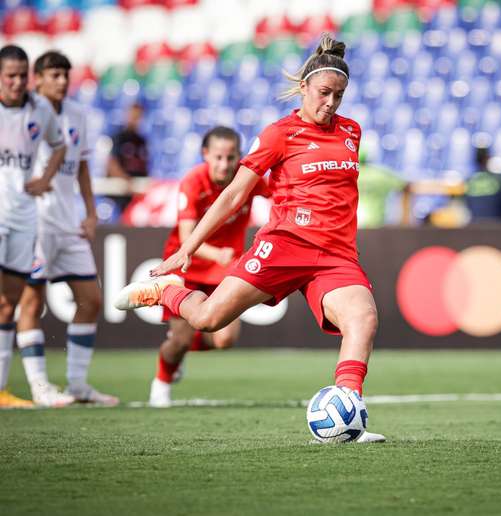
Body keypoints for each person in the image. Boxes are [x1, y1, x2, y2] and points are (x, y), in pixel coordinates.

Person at [114, 34, 384, 442]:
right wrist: (186, 250)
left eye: (339, 96)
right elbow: (234, 194)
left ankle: (348, 415)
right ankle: (165, 292)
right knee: (208, 320)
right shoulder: (280, 134)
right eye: (325, 93)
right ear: (305, 87)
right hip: (285, 245)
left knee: (362, 319)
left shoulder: (352, 132)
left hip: (336, 254)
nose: (331, 103)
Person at [13, 51, 118, 407]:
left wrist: (90, 212)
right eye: (54, 75)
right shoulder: (24, 113)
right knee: (32, 300)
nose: (61, 81)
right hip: (34, 222)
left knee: (91, 300)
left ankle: (77, 385)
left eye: (65, 75)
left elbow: (83, 166)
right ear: (37, 79)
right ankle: (40, 386)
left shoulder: (77, 114)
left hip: (67, 221)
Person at [149, 126, 271, 408]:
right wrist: (218, 254)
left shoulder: (247, 179)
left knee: (225, 338)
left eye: (230, 158)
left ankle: (179, 352)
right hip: (186, 266)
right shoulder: (193, 181)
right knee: (179, 339)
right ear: (205, 154)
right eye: (218, 157)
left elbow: (279, 192)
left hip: (224, 270)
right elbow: (185, 238)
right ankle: (161, 384)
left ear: (238, 156)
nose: (224, 164)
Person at [0, 45, 67, 408]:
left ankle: (1, 391)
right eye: (8, 75)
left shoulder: (39, 108)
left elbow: (59, 146)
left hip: (24, 215)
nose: (15, 82)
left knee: (8, 304)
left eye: (20, 75)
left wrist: (45, 178)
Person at [106, 102, 149, 212]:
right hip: (119, 192)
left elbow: (144, 166)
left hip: (135, 192)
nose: (135, 120)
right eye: (133, 116)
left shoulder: (141, 141)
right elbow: (111, 164)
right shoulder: (118, 138)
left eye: (138, 117)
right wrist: (125, 179)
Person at [464, 145, 501, 224]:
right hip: (498, 226)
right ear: (488, 159)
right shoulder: (500, 179)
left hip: (475, 225)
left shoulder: (469, 180)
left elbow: (466, 203)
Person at [357, 149, 407, 228]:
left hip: (351, 223)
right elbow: (405, 186)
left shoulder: (345, 174)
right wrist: (404, 220)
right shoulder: (380, 174)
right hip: (376, 223)